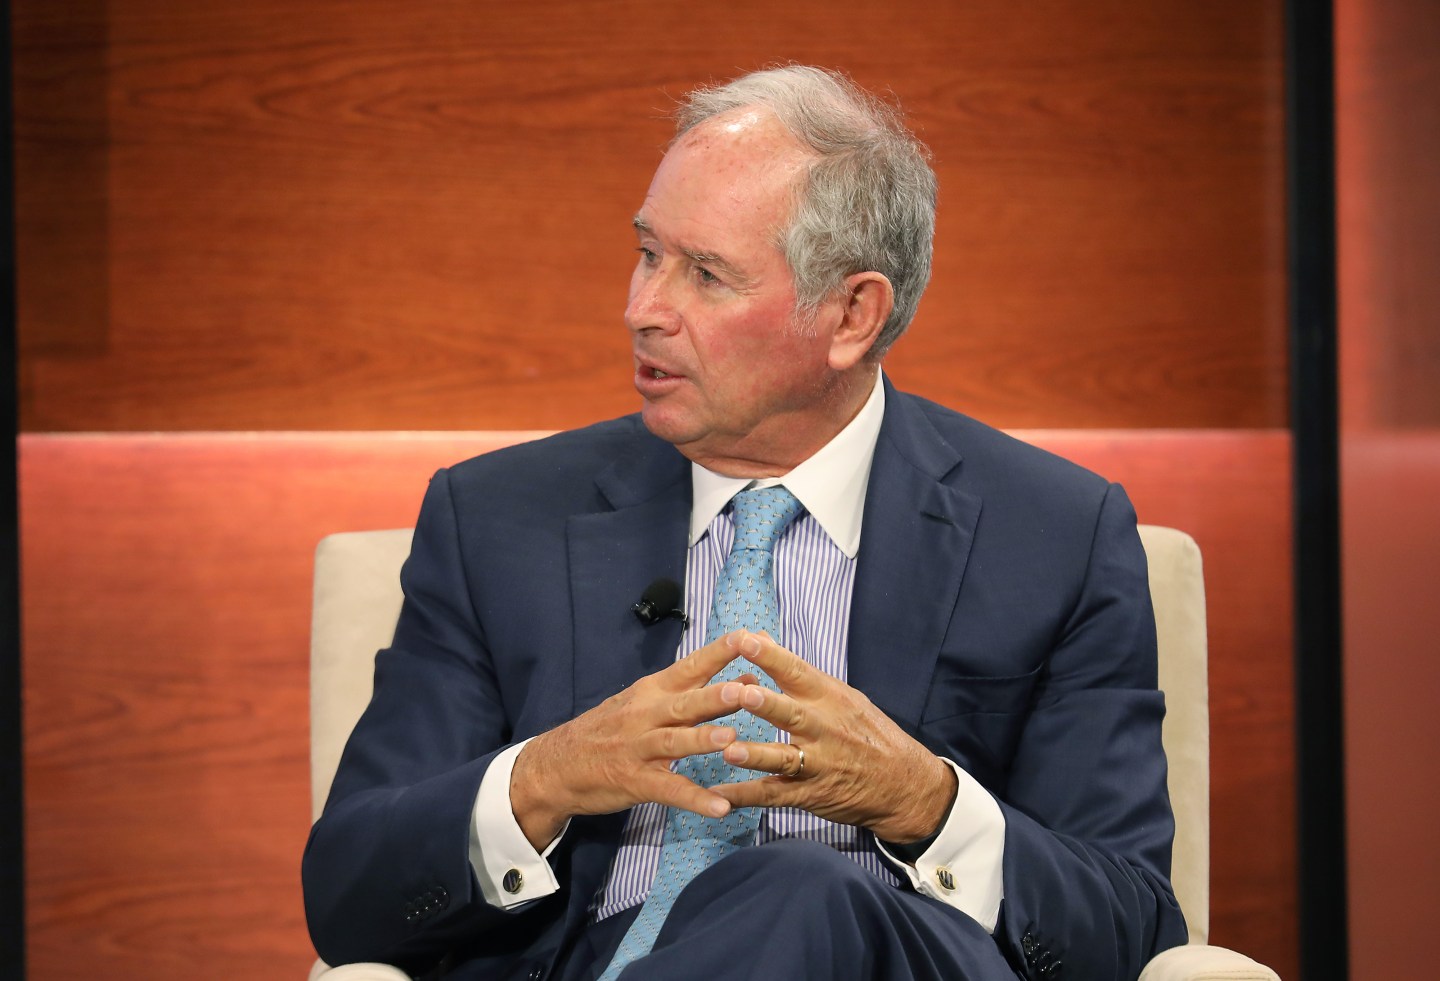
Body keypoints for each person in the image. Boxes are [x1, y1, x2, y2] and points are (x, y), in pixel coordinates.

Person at [303, 66, 1188, 981]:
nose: (642, 309)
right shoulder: (497, 519)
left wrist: (925, 800)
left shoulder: (1053, 534)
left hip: (893, 956)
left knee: (802, 887)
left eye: (706, 274)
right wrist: (546, 776)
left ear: (852, 315)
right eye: (649, 253)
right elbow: (346, 897)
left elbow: (1128, 925)